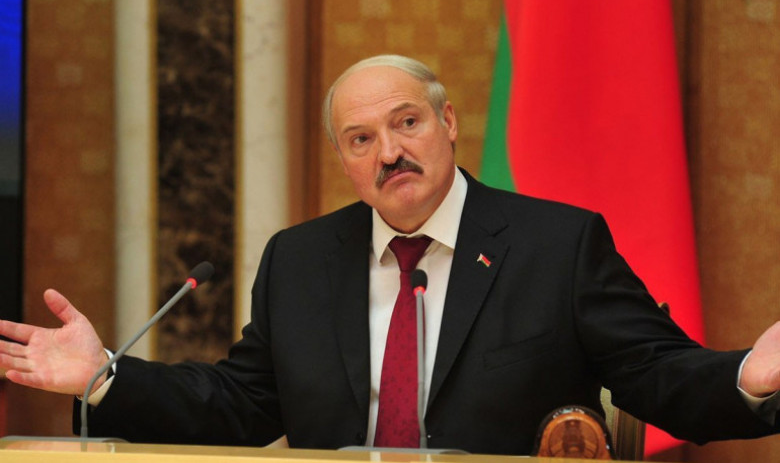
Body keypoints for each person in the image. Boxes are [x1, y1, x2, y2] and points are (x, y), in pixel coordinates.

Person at [1, 55, 779, 455]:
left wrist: (749, 373)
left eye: (407, 122)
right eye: (360, 138)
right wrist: (105, 375)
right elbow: (240, 405)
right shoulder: (301, 260)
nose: (389, 152)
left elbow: (655, 374)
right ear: (344, 159)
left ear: (448, 123)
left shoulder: (557, 244)